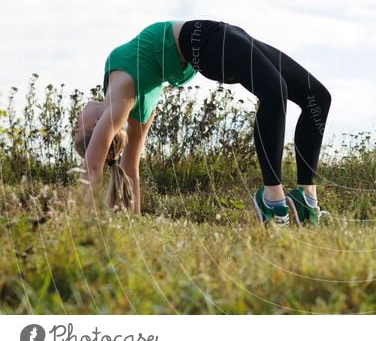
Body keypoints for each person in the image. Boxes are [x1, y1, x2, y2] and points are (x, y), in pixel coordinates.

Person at [73, 20, 331, 226]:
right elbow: (93, 167)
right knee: (275, 91)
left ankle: (306, 198)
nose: (74, 123)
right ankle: (273, 201)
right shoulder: (118, 100)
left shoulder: (136, 104)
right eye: (77, 131)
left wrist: (134, 222)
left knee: (317, 98)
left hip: (217, 37)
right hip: (204, 40)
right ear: (97, 126)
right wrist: (79, 224)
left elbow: (130, 168)